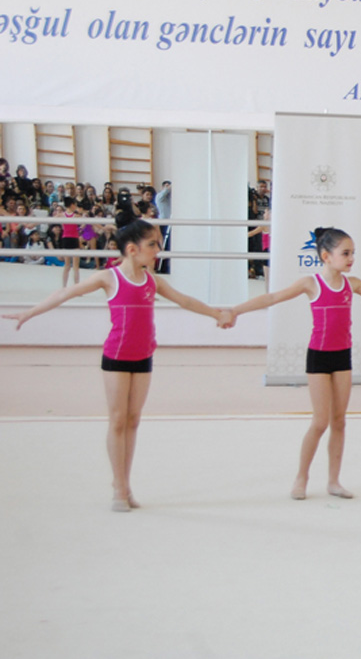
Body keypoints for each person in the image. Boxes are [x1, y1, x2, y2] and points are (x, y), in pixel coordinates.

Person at [4, 218, 232, 512]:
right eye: (153, 244)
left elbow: (185, 301)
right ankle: (118, 486)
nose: (158, 251)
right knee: (118, 419)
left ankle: (125, 483)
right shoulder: (108, 278)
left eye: (159, 245)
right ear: (132, 249)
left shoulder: (154, 281)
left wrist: (217, 314)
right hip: (116, 356)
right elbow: (64, 293)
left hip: (144, 355)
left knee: (134, 420)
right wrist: (29, 313)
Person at [229, 227, 361, 500]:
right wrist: (235, 310)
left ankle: (334, 481)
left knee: (339, 421)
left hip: (342, 357)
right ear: (326, 256)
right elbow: (272, 298)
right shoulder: (310, 284)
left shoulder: (353, 284)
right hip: (319, 357)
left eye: (353, 254)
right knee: (320, 421)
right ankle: (301, 477)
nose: (351, 259)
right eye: (346, 253)